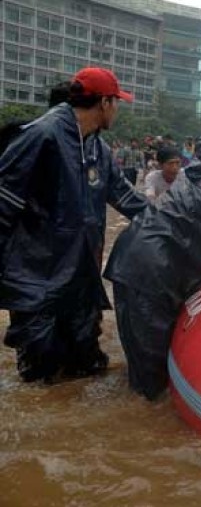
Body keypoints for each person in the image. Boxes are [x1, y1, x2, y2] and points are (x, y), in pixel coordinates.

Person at [0, 67, 148, 382]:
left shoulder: (100, 149)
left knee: (87, 368)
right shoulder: (41, 136)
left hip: (81, 279)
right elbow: (4, 204)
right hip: (37, 280)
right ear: (105, 103)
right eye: (117, 102)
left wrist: (175, 223)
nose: (117, 110)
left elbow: (127, 199)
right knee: (41, 377)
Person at [104, 122, 201, 400]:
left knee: (141, 366)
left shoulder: (197, 170)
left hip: (134, 257)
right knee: (151, 385)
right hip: (153, 273)